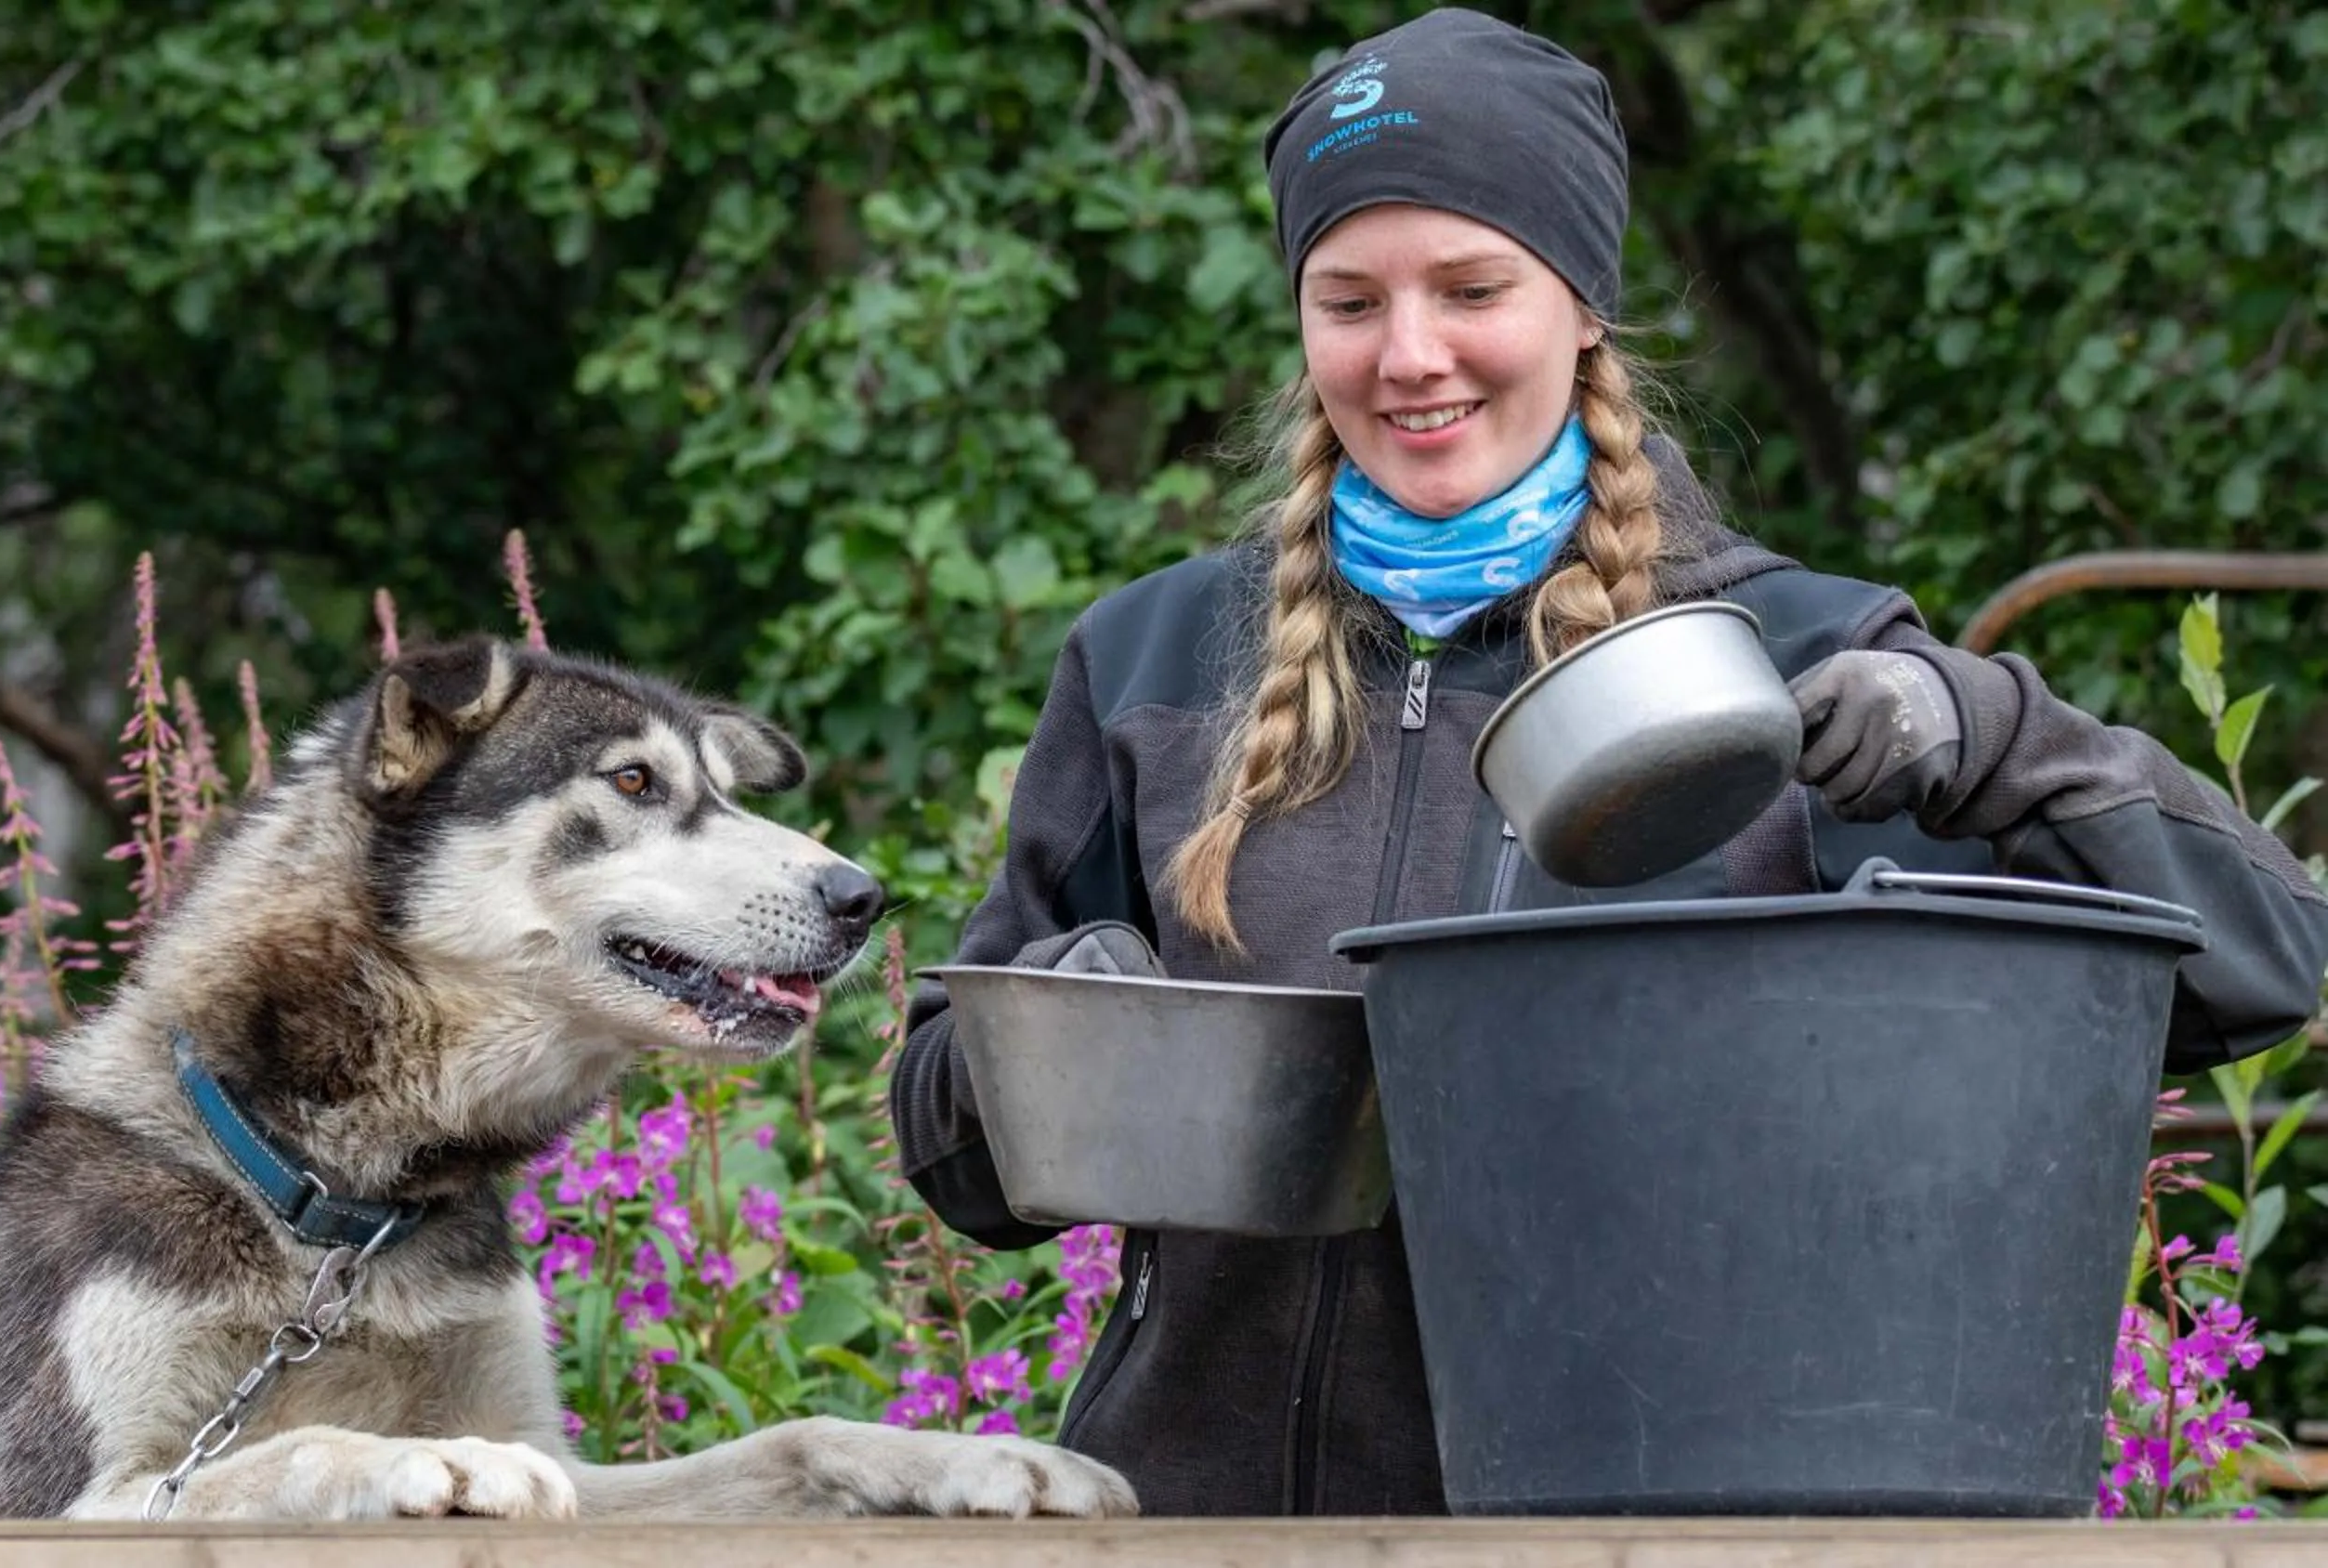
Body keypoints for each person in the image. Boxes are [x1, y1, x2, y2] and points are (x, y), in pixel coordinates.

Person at [889, 7, 2328, 1518]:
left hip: (1636, 1538)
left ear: (1583, 302)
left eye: (1472, 287)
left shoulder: (1789, 663)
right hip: (1193, 1526)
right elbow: (954, 1166)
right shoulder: (1154, 661)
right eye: (1349, 299)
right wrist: (1046, 1039)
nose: (1410, 354)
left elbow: (2261, 966)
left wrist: (1985, 733)